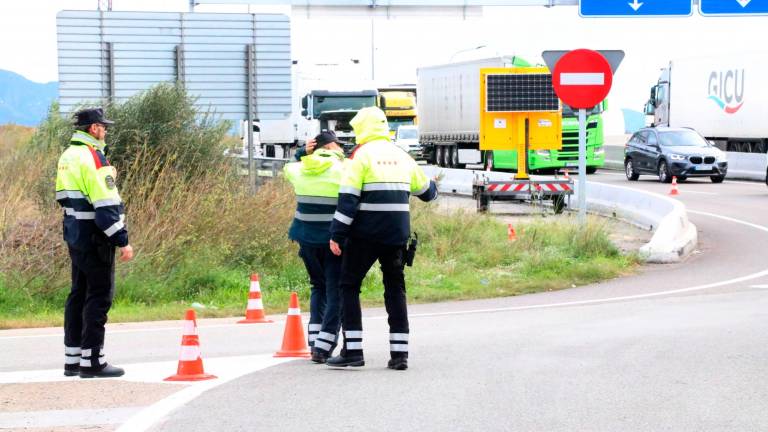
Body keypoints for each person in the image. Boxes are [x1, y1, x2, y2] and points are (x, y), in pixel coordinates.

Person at [326, 107, 438, 371]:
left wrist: (337, 235)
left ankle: (353, 351)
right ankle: (400, 355)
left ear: (363, 128)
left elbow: (348, 200)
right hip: (397, 234)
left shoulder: (360, 156)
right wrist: (434, 186)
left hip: (365, 234)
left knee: (349, 285)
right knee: (395, 288)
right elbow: (426, 192)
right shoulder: (402, 155)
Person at [55, 108, 133, 378]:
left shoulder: (67, 155)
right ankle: (93, 362)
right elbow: (105, 205)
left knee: (78, 293)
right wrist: (122, 240)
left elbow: (63, 198)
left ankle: (73, 360)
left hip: (74, 233)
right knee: (99, 297)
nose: (106, 130)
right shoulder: (93, 157)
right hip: (96, 236)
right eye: (103, 126)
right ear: (93, 129)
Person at [283, 131, 347, 363]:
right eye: (339, 145)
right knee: (335, 290)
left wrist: (302, 153)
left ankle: (314, 341)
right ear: (331, 147)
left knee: (318, 287)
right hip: (333, 241)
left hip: (306, 239)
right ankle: (324, 345)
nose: (342, 149)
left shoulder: (299, 169)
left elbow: (289, 166)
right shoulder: (344, 168)